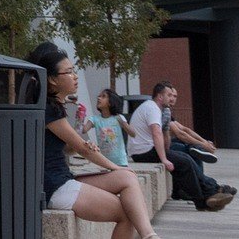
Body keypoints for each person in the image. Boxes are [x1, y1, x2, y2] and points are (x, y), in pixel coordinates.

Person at [27, 44, 162, 239]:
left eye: (74, 71)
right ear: (52, 80)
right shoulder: (49, 109)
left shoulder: (55, 107)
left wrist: (76, 148)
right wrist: (114, 166)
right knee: (126, 213)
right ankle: (149, 236)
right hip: (55, 187)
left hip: (64, 178)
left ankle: (150, 235)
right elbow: (84, 150)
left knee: (128, 178)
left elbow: (67, 148)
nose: (75, 76)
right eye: (69, 72)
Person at [128, 83, 232, 211]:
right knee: (185, 162)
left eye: (173, 95)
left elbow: (165, 134)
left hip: (146, 150)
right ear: (160, 97)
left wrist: (167, 153)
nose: (172, 98)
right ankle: (206, 197)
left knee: (184, 158)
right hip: (143, 152)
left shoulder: (159, 109)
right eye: (169, 95)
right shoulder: (152, 108)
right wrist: (164, 159)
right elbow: (156, 133)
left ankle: (209, 192)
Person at [83, 89, 132, 167]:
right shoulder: (95, 119)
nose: (99, 98)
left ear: (110, 102)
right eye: (99, 96)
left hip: (120, 161)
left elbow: (133, 134)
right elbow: (84, 130)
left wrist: (124, 124)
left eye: (103, 96)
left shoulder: (118, 118)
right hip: (104, 162)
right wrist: (81, 117)